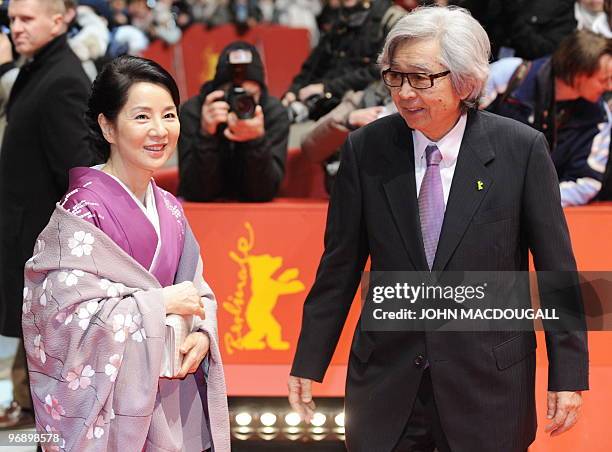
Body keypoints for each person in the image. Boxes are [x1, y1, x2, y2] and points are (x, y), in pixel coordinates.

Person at [288, 6, 588, 452]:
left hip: (488, 383)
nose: (405, 93)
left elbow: (555, 271)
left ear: (465, 80)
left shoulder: (520, 150)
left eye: (421, 78)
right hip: (387, 382)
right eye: (395, 77)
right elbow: (339, 266)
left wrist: (568, 374)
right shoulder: (365, 150)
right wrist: (309, 360)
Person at [21, 55, 231, 451]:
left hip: (171, 394)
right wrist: (160, 302)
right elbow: (60, 319)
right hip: (113, 412)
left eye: (169, 115)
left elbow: (198, 290)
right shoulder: (82, 211)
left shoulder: (169, 206)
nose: (159, 130)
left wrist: (203, 332)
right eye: (141, 117)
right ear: (107, 126)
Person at [0, 0, 95, 429]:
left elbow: (78, 178)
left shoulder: (62, 80)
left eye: (26, 19)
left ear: (59, 20)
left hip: (43, 255)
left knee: (43, 389)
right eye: (12, 19)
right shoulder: (39, 68)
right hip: (25, 245)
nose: (15, 28)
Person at [482, 30, 612, 206]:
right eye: (604, 80)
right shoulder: (508, 76)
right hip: (483, 196)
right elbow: (462, 130)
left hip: (543, 209)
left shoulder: (599, 116)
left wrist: (534, 200)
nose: (610, 87)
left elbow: (587, 183)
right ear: (577, 71)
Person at [178, 41, 289, 201]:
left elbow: (264, 193)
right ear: (217, 91)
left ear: (260, 91)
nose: (240, 103)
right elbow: (195, 192)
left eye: (248, 96)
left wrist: (257, 140)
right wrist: (206, 135)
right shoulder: (195, 110)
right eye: (233, 94)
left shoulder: (272, 113)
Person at [281, 0, 406, 121]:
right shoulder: (339, 18)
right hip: (320, 103)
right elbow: (312, 65)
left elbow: (380, 71)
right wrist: (293, 92)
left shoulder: (391, 18)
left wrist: (327, 88)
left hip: (359, 105)